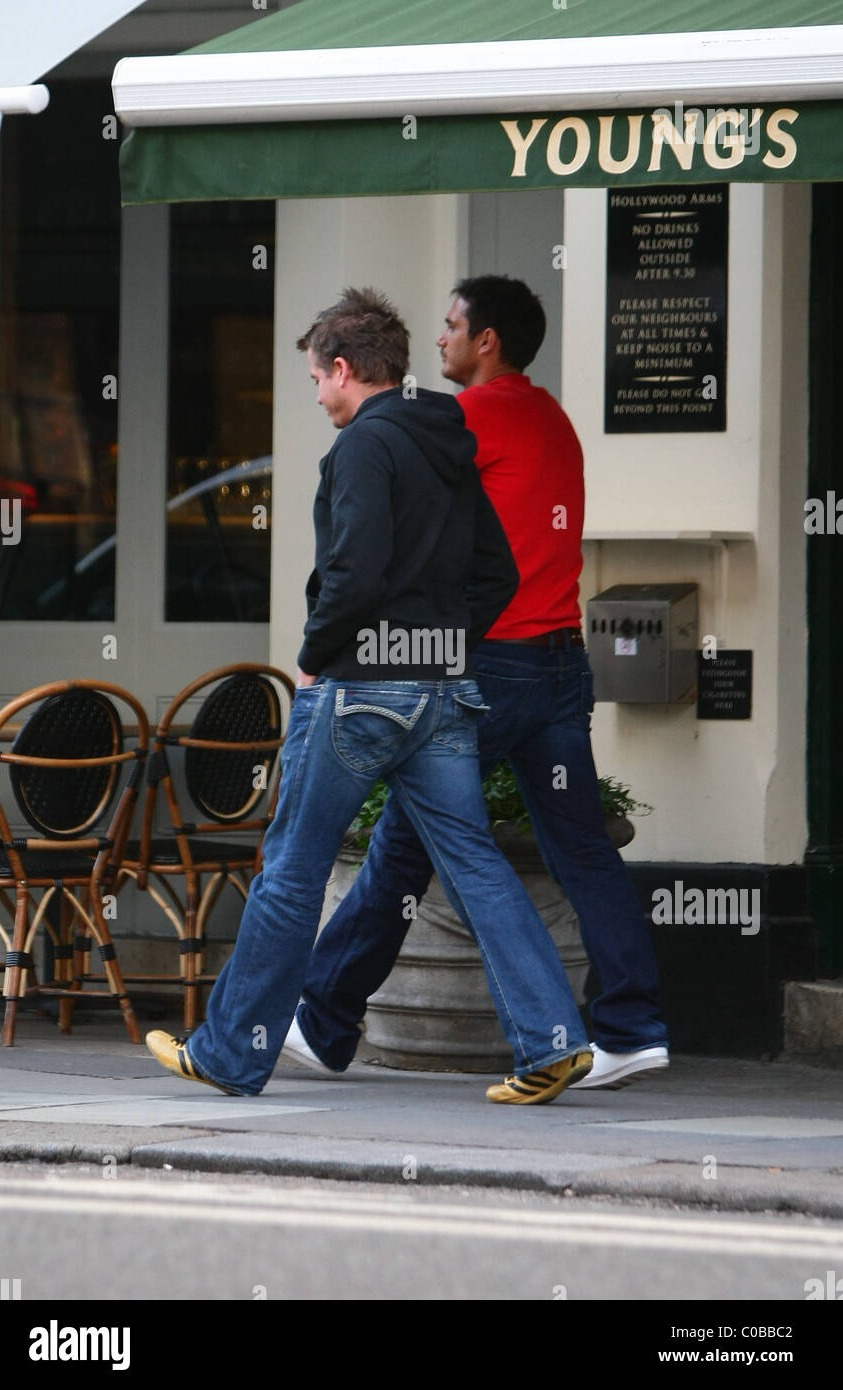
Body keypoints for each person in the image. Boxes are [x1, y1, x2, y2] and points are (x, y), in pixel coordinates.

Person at [146, 286, 592, 1105]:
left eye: (317, 379)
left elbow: (350, 573)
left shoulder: (360, 449)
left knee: (290, 867)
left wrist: (316, 657)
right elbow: (497, 572)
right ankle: (554, 1042)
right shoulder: (447, 442)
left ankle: (231, 1053)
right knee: (474, 864)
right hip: (444, 691)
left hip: (359, 692)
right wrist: (447, 642)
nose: (317, 396)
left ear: (345, 369)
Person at [283, 276, 669, 1091]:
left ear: (485, 340)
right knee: (583, 850)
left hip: (496, 662)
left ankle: (322, 1021)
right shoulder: (555, 418)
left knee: (402, 843)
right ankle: (631, 1028)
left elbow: (408, 502)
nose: (441, 340)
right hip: (563, 659)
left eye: (452, 326)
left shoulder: (469, 416)